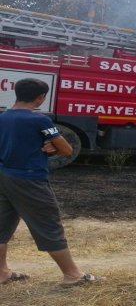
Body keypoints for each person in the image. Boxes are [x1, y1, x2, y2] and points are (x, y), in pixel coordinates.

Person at [0, 78, 103, 285]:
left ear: (16, 93)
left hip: (3, 175)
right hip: (29, 178)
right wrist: (52, 147)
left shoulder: (2, 117)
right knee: (48, 223)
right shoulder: (40, 120)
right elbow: (66, 150)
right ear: (40, 98)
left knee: (1, 225)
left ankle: (2, 273)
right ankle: (72, 275)